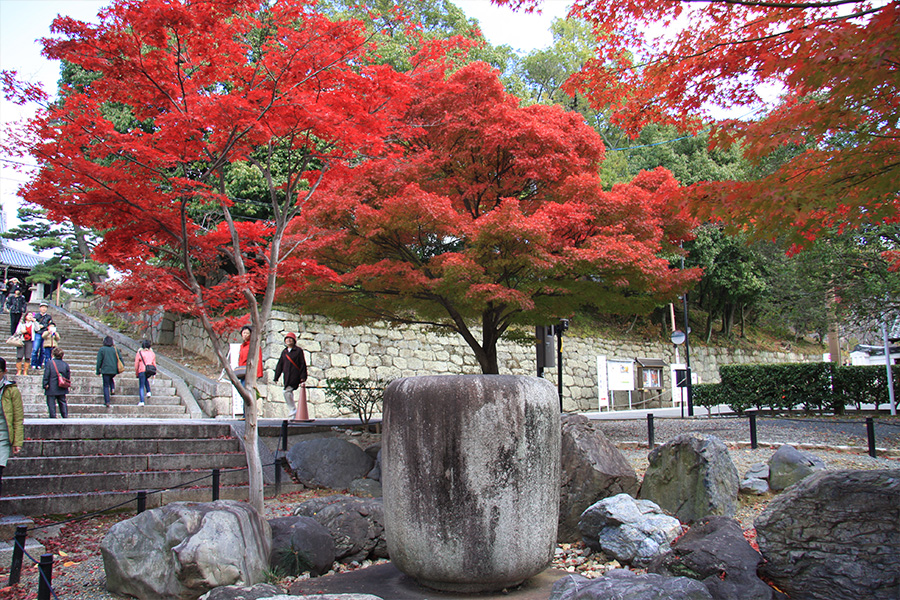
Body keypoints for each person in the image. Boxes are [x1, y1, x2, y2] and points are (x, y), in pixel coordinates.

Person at [0, 356, 24, 501]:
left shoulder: (11, 390)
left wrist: (17, 442)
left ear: (4, 371)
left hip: (3, 436)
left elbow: (17, 417)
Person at [273, 332, 308, 420]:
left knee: (286, 391)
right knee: (289, 392)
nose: (288, 340)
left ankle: (293, 409)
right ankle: (293, 414)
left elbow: (302, 363)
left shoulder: (298, 351)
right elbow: (280, 364)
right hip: (287, 375)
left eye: (290, 338)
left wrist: (303, 376)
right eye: (287, 338)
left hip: (295, 375)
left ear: (294, 340)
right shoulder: (284, 352)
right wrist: (276, 376)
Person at [43, 347, 71, 418]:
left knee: (51, 404)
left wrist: (45, 384)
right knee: (62, 402)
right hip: (61, 386)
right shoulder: (65, 364)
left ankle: (53, 417)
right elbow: (67, 376)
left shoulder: (50, 363)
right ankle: (65, 416)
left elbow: (46, 374)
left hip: (51, 386)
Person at [96, 336, 122, 408]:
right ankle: (112, 388)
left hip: (105, 369)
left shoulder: (102, 350)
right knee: (110, 378)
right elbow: (120, 358)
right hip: (114, 369)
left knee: (106, 385)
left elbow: (99, 361)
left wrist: (98, 370)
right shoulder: (115, 349)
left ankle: (107, 401)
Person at [134, 340, 156, 407]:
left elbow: (136, 363)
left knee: (141, 386)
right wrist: (154, 373)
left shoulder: (140, 353)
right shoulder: (152, 353)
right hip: (150, 369)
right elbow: (154, 363)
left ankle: (142, 401)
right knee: (145, 379)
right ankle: (148, 391)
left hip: (142, 369)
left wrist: (136, 372)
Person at [32, 302, 52, 369]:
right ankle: (33, 363)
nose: (43, 309)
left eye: (45, 307)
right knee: (35, 349)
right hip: (37, 333)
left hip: (45, 334)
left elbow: (50, 324)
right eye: (42, 307)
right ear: (40, 308)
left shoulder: (48, 317)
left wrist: (43, 326)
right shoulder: (36, 316)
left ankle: (39, 364)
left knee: (43, 351)